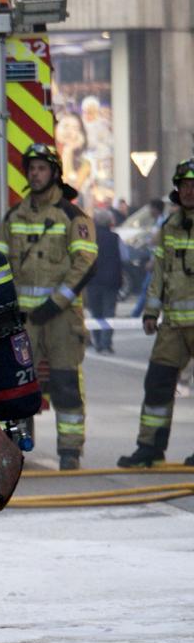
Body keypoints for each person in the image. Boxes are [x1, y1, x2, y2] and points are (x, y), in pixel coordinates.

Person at [0, 143, 97, 469]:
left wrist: (55, 304)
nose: (35, 173)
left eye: (42, 168)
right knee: (18, 385)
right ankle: (16, 446)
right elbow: (1, 266)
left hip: (61, 318)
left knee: (65, 383)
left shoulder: (73, 216)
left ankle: (70, 452)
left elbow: (85, 263)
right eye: (31, 168)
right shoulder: (14, 216)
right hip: (23, 319)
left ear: (54, 173)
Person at [117, 160, 194, 467]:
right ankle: (150, 448)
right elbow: (159, 274)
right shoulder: (169, 227)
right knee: (158, 382)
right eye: (184, 186)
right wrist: (151, 312)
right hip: (174, 325)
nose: (189, 191)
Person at [87, 209, 122, 354]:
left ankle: (98, 343)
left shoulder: (89, 238)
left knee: (96, 313)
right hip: (111, 281)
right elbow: (125, 256)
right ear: (109, 222)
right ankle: (106, 343)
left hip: (93, 281)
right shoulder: (115, 238)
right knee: (109, 313)